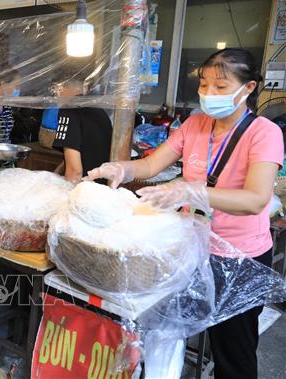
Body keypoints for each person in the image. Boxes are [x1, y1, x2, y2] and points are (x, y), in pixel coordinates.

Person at [87, 48, 283, 379]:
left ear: (248, 88)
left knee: (233, 353)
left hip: (240, 259)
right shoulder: (195, 124)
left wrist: (191, 191)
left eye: (220, 87)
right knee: (166, 333)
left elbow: (255, 199)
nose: (208, 94)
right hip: (192, 249)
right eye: (204, 85)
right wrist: (122, 167)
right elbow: (151, 163)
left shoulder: (264, 133)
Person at [52, 81, 113, 183]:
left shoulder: (68, 110)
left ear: (59, 88)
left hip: (84, 188)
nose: (54, 96)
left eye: (54, 90)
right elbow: (78, 152)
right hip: (103, 186)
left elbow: (75, 172)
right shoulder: (98, 110)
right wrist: (54, 174)